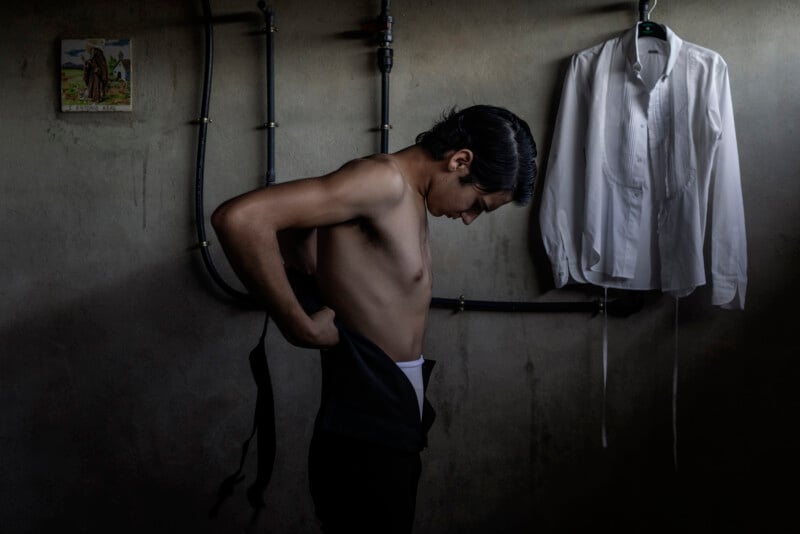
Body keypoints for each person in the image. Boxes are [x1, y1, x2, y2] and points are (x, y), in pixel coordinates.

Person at [211, 105, 537, 533]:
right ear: (460, 161)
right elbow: (241, 219)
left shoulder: (409, 196)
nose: (468, 217)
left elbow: (294, 236)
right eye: (477, 203)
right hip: (365, 422)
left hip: (391, 417)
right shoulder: (383, 182)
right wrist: (299, 325)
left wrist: (317, 272)